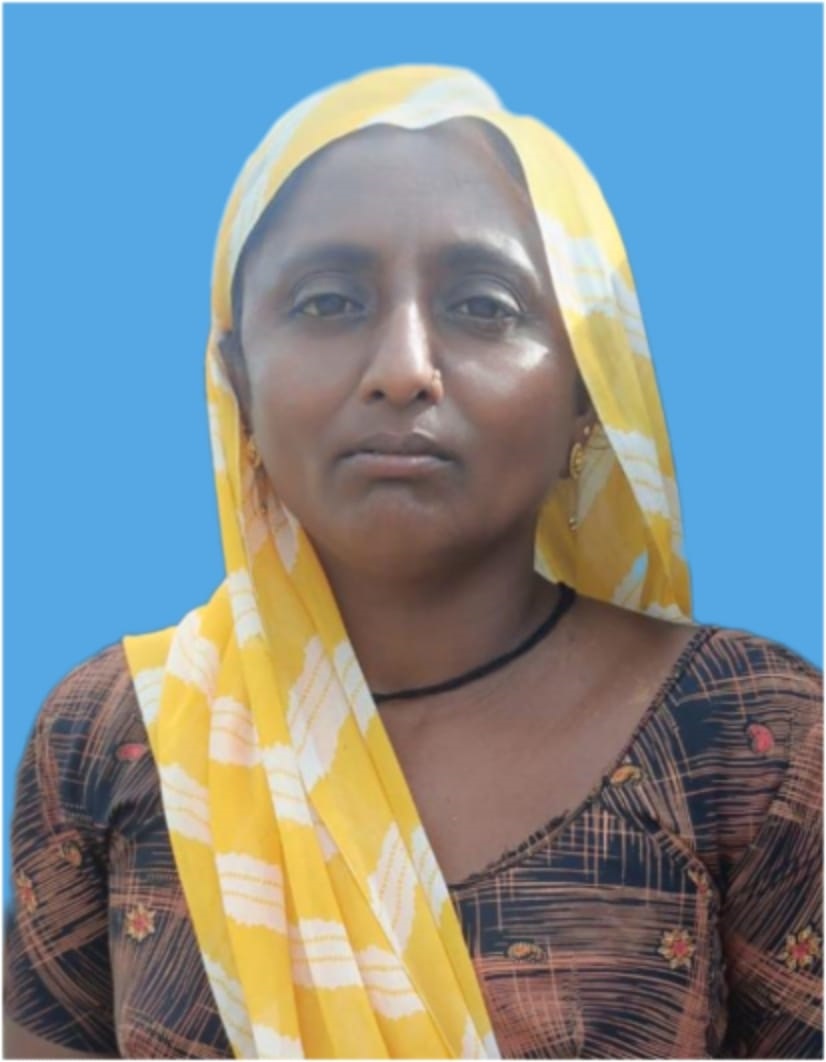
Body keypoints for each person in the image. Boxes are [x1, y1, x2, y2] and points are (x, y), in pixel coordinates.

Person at [4, 65, 821, 1060]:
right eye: (328, 302)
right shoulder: (120, 734)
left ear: (588, 389)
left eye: (484, 306)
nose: (402, 370)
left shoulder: (750, 740)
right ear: (237, 382)